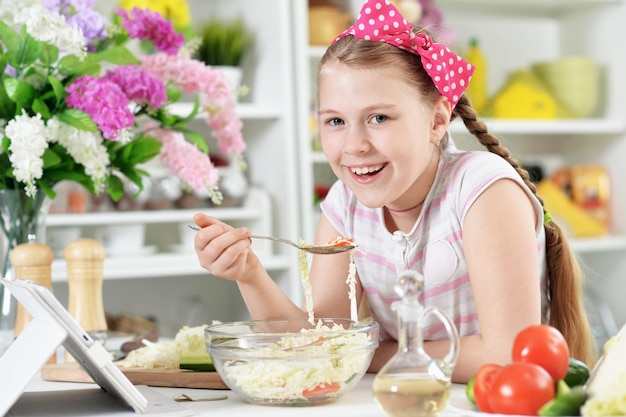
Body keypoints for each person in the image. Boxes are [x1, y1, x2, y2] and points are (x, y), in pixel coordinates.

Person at [192, 0, 596, 382]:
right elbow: (315, 342)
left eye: (379, 117)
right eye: (334, 121)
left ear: (437, 120)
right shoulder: (344, 207)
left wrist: (367, 353)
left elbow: (508, 355)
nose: (354, 145)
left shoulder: (483, 190)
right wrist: (249, 274)